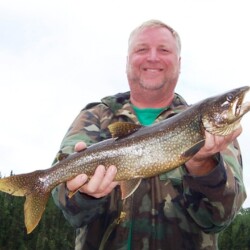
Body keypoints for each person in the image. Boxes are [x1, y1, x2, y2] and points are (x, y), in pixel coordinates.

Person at [52, 19, 246, 250]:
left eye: (164, 50)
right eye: (142, 49)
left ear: (179, 63)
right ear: (127, 61)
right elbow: (66, 207)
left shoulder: (217, 135)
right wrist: (84, 193)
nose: (153, 57)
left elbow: (219, 219)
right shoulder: (93, 117)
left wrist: (203, 165)